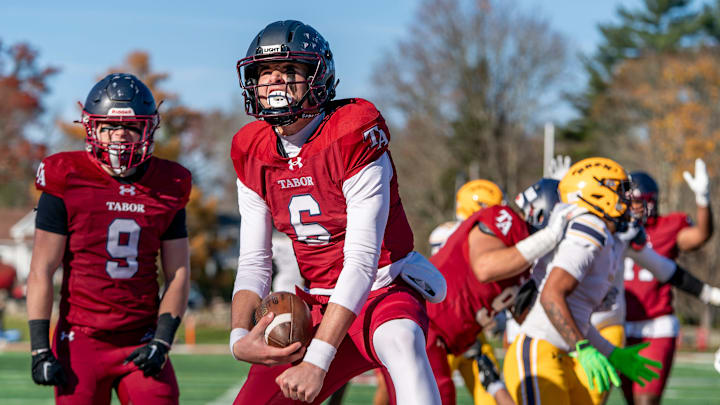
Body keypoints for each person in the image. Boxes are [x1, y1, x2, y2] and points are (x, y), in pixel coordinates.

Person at [229, 20, 442, 404]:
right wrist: (238, 338)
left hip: (383, 288)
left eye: (289, 71)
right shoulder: (251, 150)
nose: (274, 82)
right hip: (317, 301)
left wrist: (318, 359)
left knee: (404, 341)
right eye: (265, 73)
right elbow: (255, 260)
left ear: (317, 77)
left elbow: (362, 259)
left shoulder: (351, 132)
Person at [26, 73, 192, 405]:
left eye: (130, 127)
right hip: (82, 339)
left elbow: (179, 273)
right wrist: (39, 348)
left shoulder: (170, 182)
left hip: (141, 336)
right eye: (109, 126)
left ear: (148, 129)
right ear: (91, 128)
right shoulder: (65, 176)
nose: (119, 136)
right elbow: (42, 268)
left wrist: (162, 340)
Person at [513, 176, 720, 405]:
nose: (627, 206)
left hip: (585, 331)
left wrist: (604, 350)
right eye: (620, 196)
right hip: (551, 343)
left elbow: (665, 269)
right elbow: (546, 295)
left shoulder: (613, 237)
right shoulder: (579, 234)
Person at [503, 157, 662, 405]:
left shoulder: (605, 236)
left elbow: (577, 315)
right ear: (598, 192)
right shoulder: (589, 225)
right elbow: (551, 295)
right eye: (620, 189)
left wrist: (610, 352)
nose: (628, 198)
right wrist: (583, 348)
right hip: (540, 352)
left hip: (561, 353)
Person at [425, 178, 584, 405]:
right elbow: (485, 268)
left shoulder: (527, 260)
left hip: (453, 339)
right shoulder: (503, 217)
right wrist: (549, 236)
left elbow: (527, 317)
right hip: (425, 324)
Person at [623, 163, 714, 405]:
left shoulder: (668, 226)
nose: (635, 207)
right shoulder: (612, 227)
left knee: (646, 401)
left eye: (640, 200)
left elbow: (699, 237)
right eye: (631, 200)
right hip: (617, 326)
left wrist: (703, 200)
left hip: (656, 325)